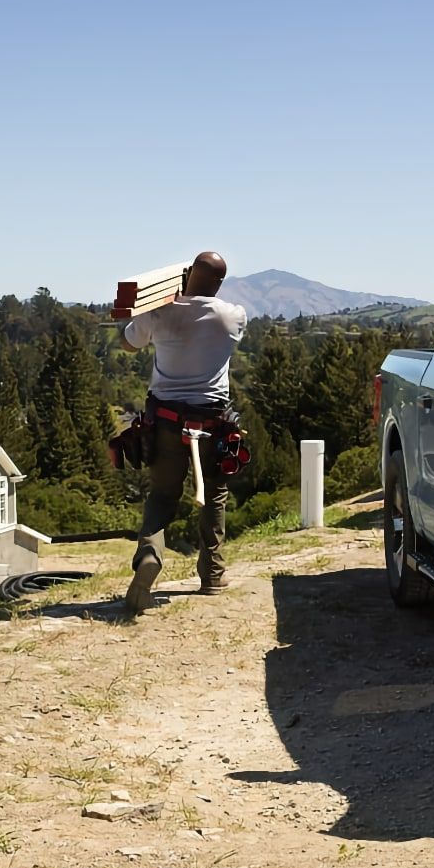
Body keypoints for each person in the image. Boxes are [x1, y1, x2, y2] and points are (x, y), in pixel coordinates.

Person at [116, 252, 248, 613]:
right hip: (212, 422)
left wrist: (159, 302)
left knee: (162, 496)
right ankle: (212, 574)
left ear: (188, 275)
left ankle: (149, 556)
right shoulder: (232, 315)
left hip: (167, 422)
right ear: (219, 283)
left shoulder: (160, 312)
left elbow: (129, 343)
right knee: (215, 494)